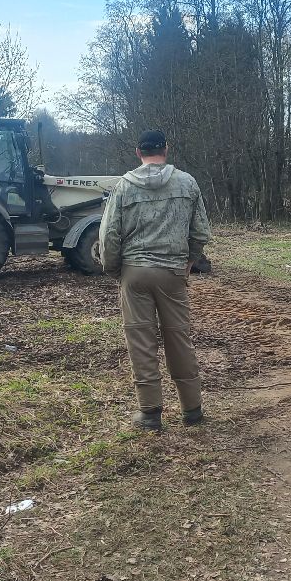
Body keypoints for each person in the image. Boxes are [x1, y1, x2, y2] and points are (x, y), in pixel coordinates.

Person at [98, 129, 213, 434]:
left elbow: (109, 236)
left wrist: (114, 270)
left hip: (134, 272)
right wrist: (188, 262)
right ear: (166, 149)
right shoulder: (187, 183)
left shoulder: (123, 187)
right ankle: (192, 410)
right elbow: (201, 232)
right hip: (173, 272)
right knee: (179, 338)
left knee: (141, 341)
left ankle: (150, 413)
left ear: (138, 152)